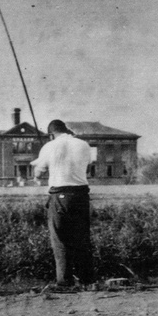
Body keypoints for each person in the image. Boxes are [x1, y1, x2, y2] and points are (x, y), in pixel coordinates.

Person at [31, 119, 94, 290]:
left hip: (59, 196)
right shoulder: (83, 145)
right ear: (66, 130)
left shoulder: (49, 146)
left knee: (60, 240)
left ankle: (64, 282)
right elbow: (87, 169)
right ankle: (86, 281)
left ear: (51, 134)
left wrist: (37, 174)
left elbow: (39, 170)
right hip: (81, 195)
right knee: (82, 238)